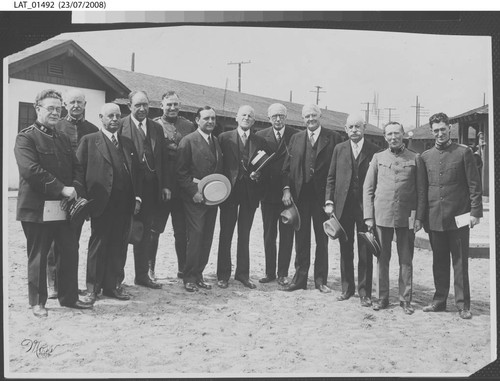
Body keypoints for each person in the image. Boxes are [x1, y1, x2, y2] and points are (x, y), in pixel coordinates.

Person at [14, 89, 93, 317]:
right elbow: (31, 171)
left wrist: (76, 188)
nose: (55, 112)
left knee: (69, 250)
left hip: (63, 207)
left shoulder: (63, 138)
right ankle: (37, 302)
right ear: (37, 108)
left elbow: (76, 167)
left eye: (58, 109)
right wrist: (62, 188)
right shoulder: (25, 137)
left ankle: (69, 298)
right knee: (38, 255)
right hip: (37, 209)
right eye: (50, 108)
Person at [77, 103, 143, 303]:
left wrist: (137, 197)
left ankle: (113, 285)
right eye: (110, 116)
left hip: (124, 204)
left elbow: (137, 173)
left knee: (119, 244)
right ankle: (93, 289)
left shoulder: (127, 143)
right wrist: (84, 201)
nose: (114, 119)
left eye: (117, 116)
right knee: (99, 244)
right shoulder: (89, 141)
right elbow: (78, 173)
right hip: (101, 203)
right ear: (101, 117)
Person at [420, 112, 482, 319]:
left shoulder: (463, 153)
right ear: (432, 131)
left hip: (459, 217)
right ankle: (439, 301)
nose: (440, 134)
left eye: (443, 129)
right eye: (436, 130)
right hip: (434, 218)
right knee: (438, 261)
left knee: (460, 262)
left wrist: (475, 212)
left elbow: (474, 184)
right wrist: (421, 218)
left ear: (450, 129)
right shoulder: (425, 157)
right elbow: (423, 189)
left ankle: (463, 305)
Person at [363, 121, 425, 314]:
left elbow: (422, 191)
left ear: (403, 134)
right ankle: (382, 298)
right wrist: (368, 217)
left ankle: (405, 300)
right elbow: (368, 189)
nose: (393, 137)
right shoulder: (378, 157)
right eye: (389, 134)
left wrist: (419, 218)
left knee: (406, 260)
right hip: (382, 216)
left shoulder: (415, 158)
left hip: (407, 216)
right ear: (385, 137)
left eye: (397, 133)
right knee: (382, 259)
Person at [282, 103, 342, 292]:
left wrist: (331, 199)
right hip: (300, 197)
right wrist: (286, 189)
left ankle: (320, 280)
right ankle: (299, 279)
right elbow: (286, 168)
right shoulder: (296, 139)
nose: (310, 119)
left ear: (320, 115)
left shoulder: (333, 138)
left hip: (322, 199)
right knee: (301, 239)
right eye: (307, 116)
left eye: (313, 116)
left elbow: (338, 171)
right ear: (302, 118)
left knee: (322, 240)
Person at [47, 89, 99, 299]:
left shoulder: (92, 130)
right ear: (65, 105)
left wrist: (82, 193)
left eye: (80, 102)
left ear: (85, 105)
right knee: (52, 241)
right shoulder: (56, 126)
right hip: (56, 191)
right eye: (72, 102)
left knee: (72, 241)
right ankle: (53, 284)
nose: (76, 105)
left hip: (80, 193)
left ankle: (68, 283)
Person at [324, 114, 379, 305]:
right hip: (343, 207)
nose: (354, 130)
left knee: (365, 249)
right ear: (345, 130)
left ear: (364, 128)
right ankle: (347, 288)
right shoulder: (339, 149)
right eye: (351, 127)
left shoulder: (374, 150)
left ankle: (365, 293)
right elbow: (331, 177)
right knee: (345, 248)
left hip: (365, 208)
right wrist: (329, 202)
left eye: (358, 127)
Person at [119, 90, 171, 289]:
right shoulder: (120, 124)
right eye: (138, 105)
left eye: (145, 105)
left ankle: (142, 275)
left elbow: (164, 159)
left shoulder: (156, 128)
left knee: (146, 233)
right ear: (129, 106)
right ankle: (117, 278)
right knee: (124, 232)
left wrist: (165, 185)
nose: (142, 109)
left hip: (151, 189)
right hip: (128, 189)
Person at [216, 105, 269, 290]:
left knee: (244, 235)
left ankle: (242, 274)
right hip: (229, 192)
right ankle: (223, 275)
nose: (246, 118)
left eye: (250, 116)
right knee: (226, 234)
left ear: (254, 121)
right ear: (236, 118)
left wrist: (258, 175)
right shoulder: (224, 138)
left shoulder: (260, 141)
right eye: (243, 115)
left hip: (249, 193)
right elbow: (218, 164)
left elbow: (265, 167)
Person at [176, 106, 223, 292]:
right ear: (197, 120)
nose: (210, 122)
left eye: (213, 118)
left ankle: (199, 274)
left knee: (207, 237)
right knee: (195, 237)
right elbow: (180, 173)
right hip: (194, 199)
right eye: (206, 118)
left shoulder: (216, 142)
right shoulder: (187, 141)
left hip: (212, 199)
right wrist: (193, 192)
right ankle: (189, 277)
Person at [151, 91, 195, 280]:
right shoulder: (154, 125)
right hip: (162, 187)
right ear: (161, 105)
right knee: (155, 230)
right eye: (169, 104)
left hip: (183, 188)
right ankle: (149, 268)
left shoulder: (188, 125)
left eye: (176, 104)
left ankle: (183, 268)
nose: (172, 108)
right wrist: (162, 185)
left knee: (182, 231)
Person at [256, 103, 298, 286]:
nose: (278, 119)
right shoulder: (260, 136)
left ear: (286, 117)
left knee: (287, 235)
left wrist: (287, 188)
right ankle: (269, 272)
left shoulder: (295, 135)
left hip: (287, 194)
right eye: (274, 117)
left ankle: (283, 273)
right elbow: (255, 161)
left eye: (281, 116)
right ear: (268, 118)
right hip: (267, 194)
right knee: (269, 234)